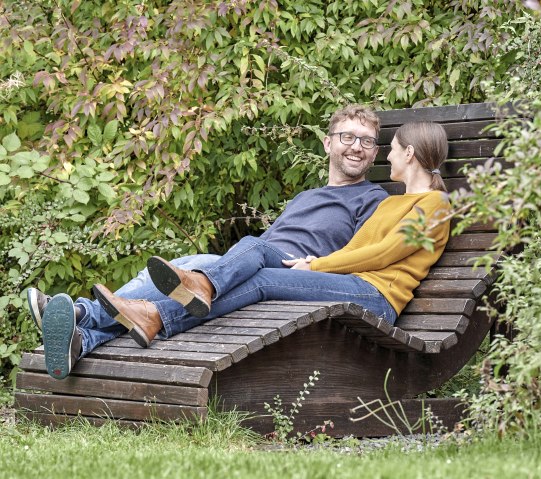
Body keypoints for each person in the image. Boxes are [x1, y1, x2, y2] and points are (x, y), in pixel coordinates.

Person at [28, 104, 389, 379]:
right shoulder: (306, 197)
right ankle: (82, 339)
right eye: (348, 137)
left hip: (297, 271)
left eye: (366, 142)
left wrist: (315, 263)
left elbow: (361, 254)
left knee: (251, 246)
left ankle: (84, 312)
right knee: (186, 262)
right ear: (328, 143)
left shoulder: (372, 199)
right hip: (255, 260)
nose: (356, 147)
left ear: (374, 153)